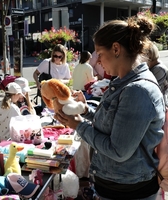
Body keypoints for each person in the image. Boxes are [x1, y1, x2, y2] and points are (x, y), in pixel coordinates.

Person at [55, 15, 165, 200]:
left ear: (116, 49)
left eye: (99, 53)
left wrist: (78, 126)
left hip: (129, 191)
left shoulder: (137, 90)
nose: (97, 61)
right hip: (118, 186)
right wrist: (84, 110)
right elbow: (113, 123)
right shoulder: (124, 82)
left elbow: (118, 151)